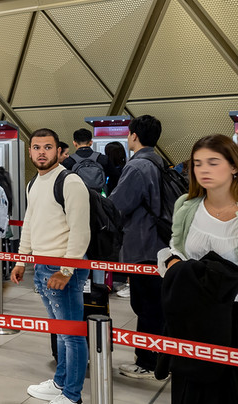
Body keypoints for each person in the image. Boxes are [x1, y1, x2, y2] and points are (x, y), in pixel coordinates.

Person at [11, 128, 90, 404]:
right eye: (36, 147)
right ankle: (60, 383)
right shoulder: (34, 183)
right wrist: (22, 260)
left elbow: (81, 232)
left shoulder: (70, 182)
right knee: (60, 331)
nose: (41, 152)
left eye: (47, 147)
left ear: (59, 151)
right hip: (42, 266)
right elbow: (30, 222)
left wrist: (66, 270)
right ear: (30, 151)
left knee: (73, 335)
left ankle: (72, 395)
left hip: (63, 269)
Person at [157, 134, 238, 403]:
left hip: (232, 318)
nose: (203, 170)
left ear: (234, 166)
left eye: (213, 162)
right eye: (198, 163)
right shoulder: (186, 206)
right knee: (191, 392)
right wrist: (173, 262)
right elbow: (174, 249)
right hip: (193, 318)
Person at [108, 115, 165, 379]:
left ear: (133, 135)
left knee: (147, 306)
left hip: (142, 245)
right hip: (157, 244)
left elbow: (117, 205)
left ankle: (148, 361)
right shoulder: (157, 161)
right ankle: (156, 358)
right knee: (153, 304)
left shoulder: (138, 167)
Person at [62, 128, 119, 195]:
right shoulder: (102, 159)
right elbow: (116, 178)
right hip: (100, 198)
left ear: (74, 143)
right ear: (91, 142)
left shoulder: (68, 161)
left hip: (78, 197)